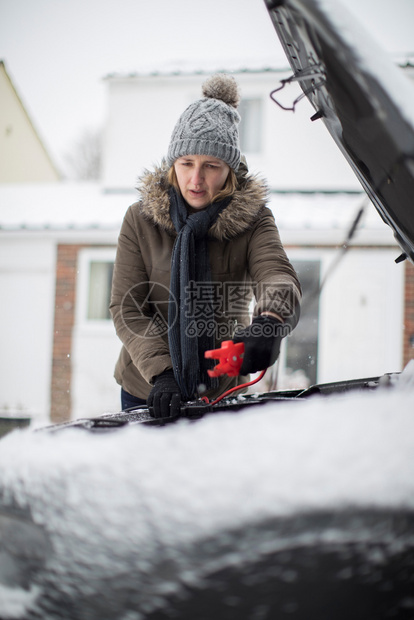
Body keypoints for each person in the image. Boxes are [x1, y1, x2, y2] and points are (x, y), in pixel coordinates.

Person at [110, 74, 301, 418]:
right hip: (147, 388)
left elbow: (276, 273)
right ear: (173, 165)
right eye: (186, 164)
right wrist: (164, 372)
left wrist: (270, 321)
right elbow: (128, 308)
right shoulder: (139, 220)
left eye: (211, 166)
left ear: (229, 171)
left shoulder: (254, 219)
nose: (195, 180)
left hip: (221, 389)